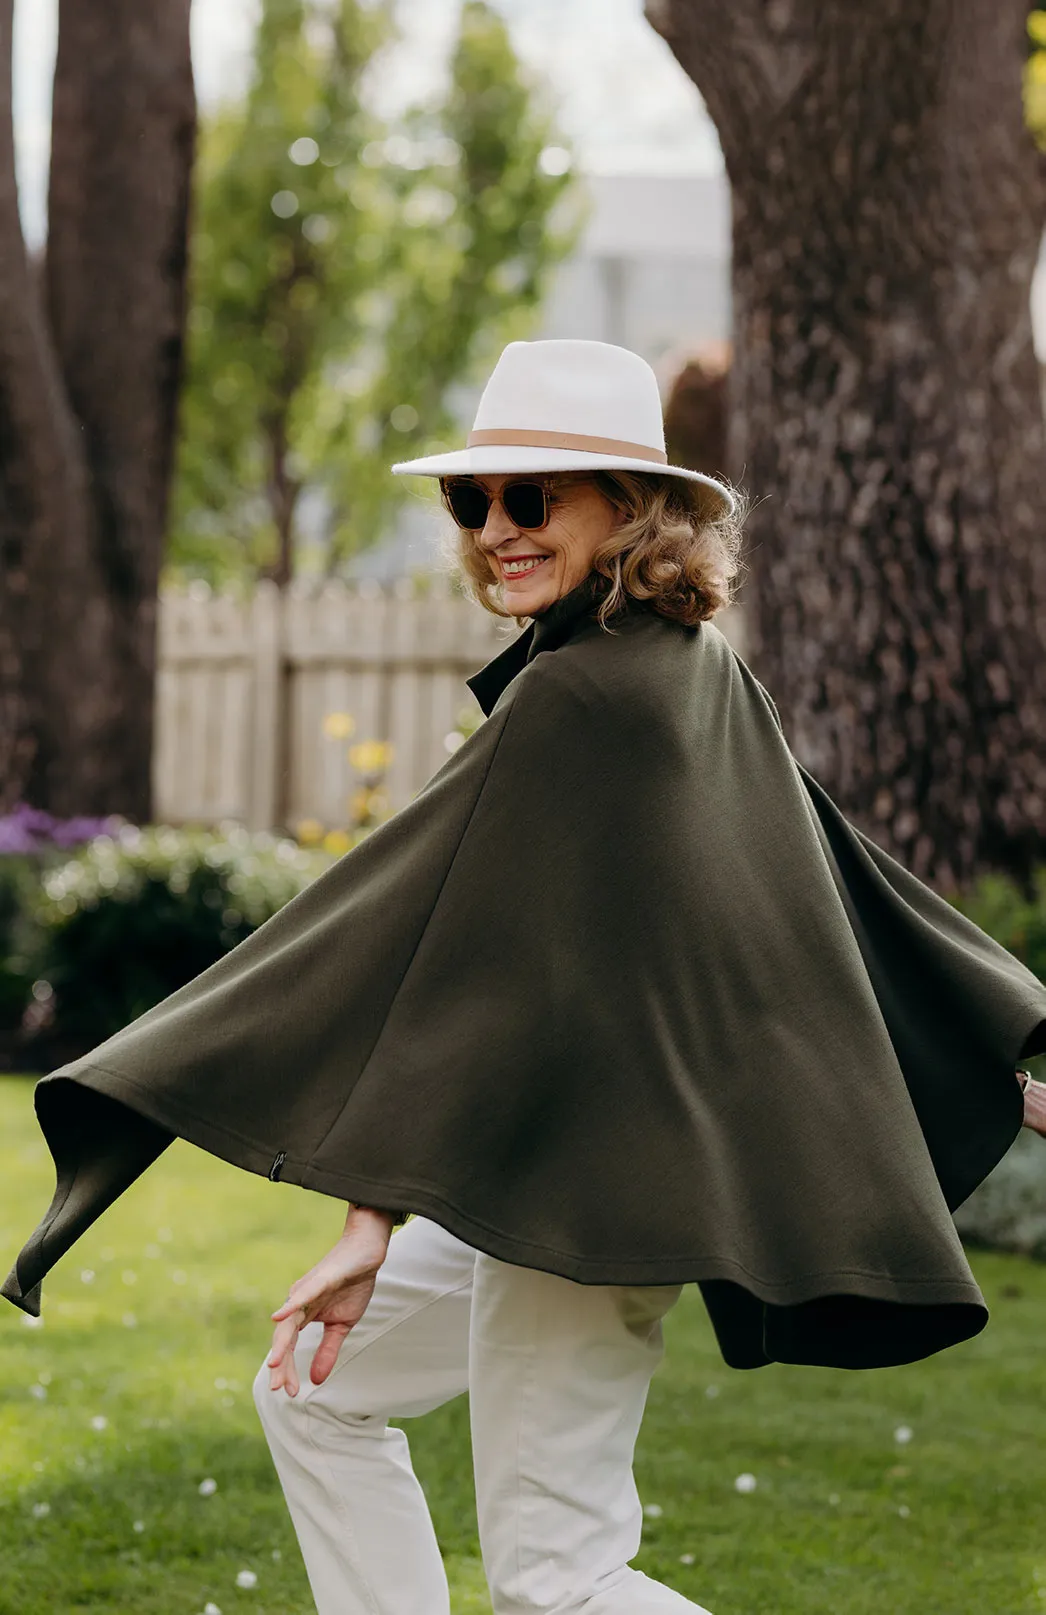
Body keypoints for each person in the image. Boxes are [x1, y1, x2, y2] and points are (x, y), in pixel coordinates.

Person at [5, 339, 1046, 1615]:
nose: (496, 529)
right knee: (313, 1392)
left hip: (595, 1196)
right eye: (472, 501)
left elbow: (426, 952)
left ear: (629, 506)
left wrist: (365, 1216)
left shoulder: (590, 701)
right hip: (548, 1165)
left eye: (533, 496)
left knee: (559, 1577)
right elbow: (796, 890)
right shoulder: (675, 666)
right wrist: (974, 1033)